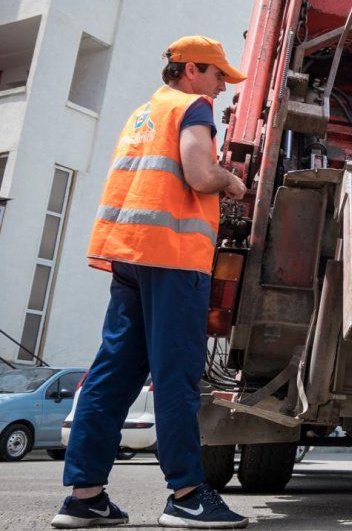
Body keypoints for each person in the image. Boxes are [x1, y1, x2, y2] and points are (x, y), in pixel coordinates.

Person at [53, 36, 250, 529]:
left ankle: (85, 496)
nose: (223, 86)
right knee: (176, 375)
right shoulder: (193, 107)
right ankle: (186, 494)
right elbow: (199, 174)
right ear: (190, 70)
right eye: (217, 74)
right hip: (174, 258)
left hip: (132, 256)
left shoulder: (143, 114)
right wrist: (231, 181)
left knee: (113, 373)